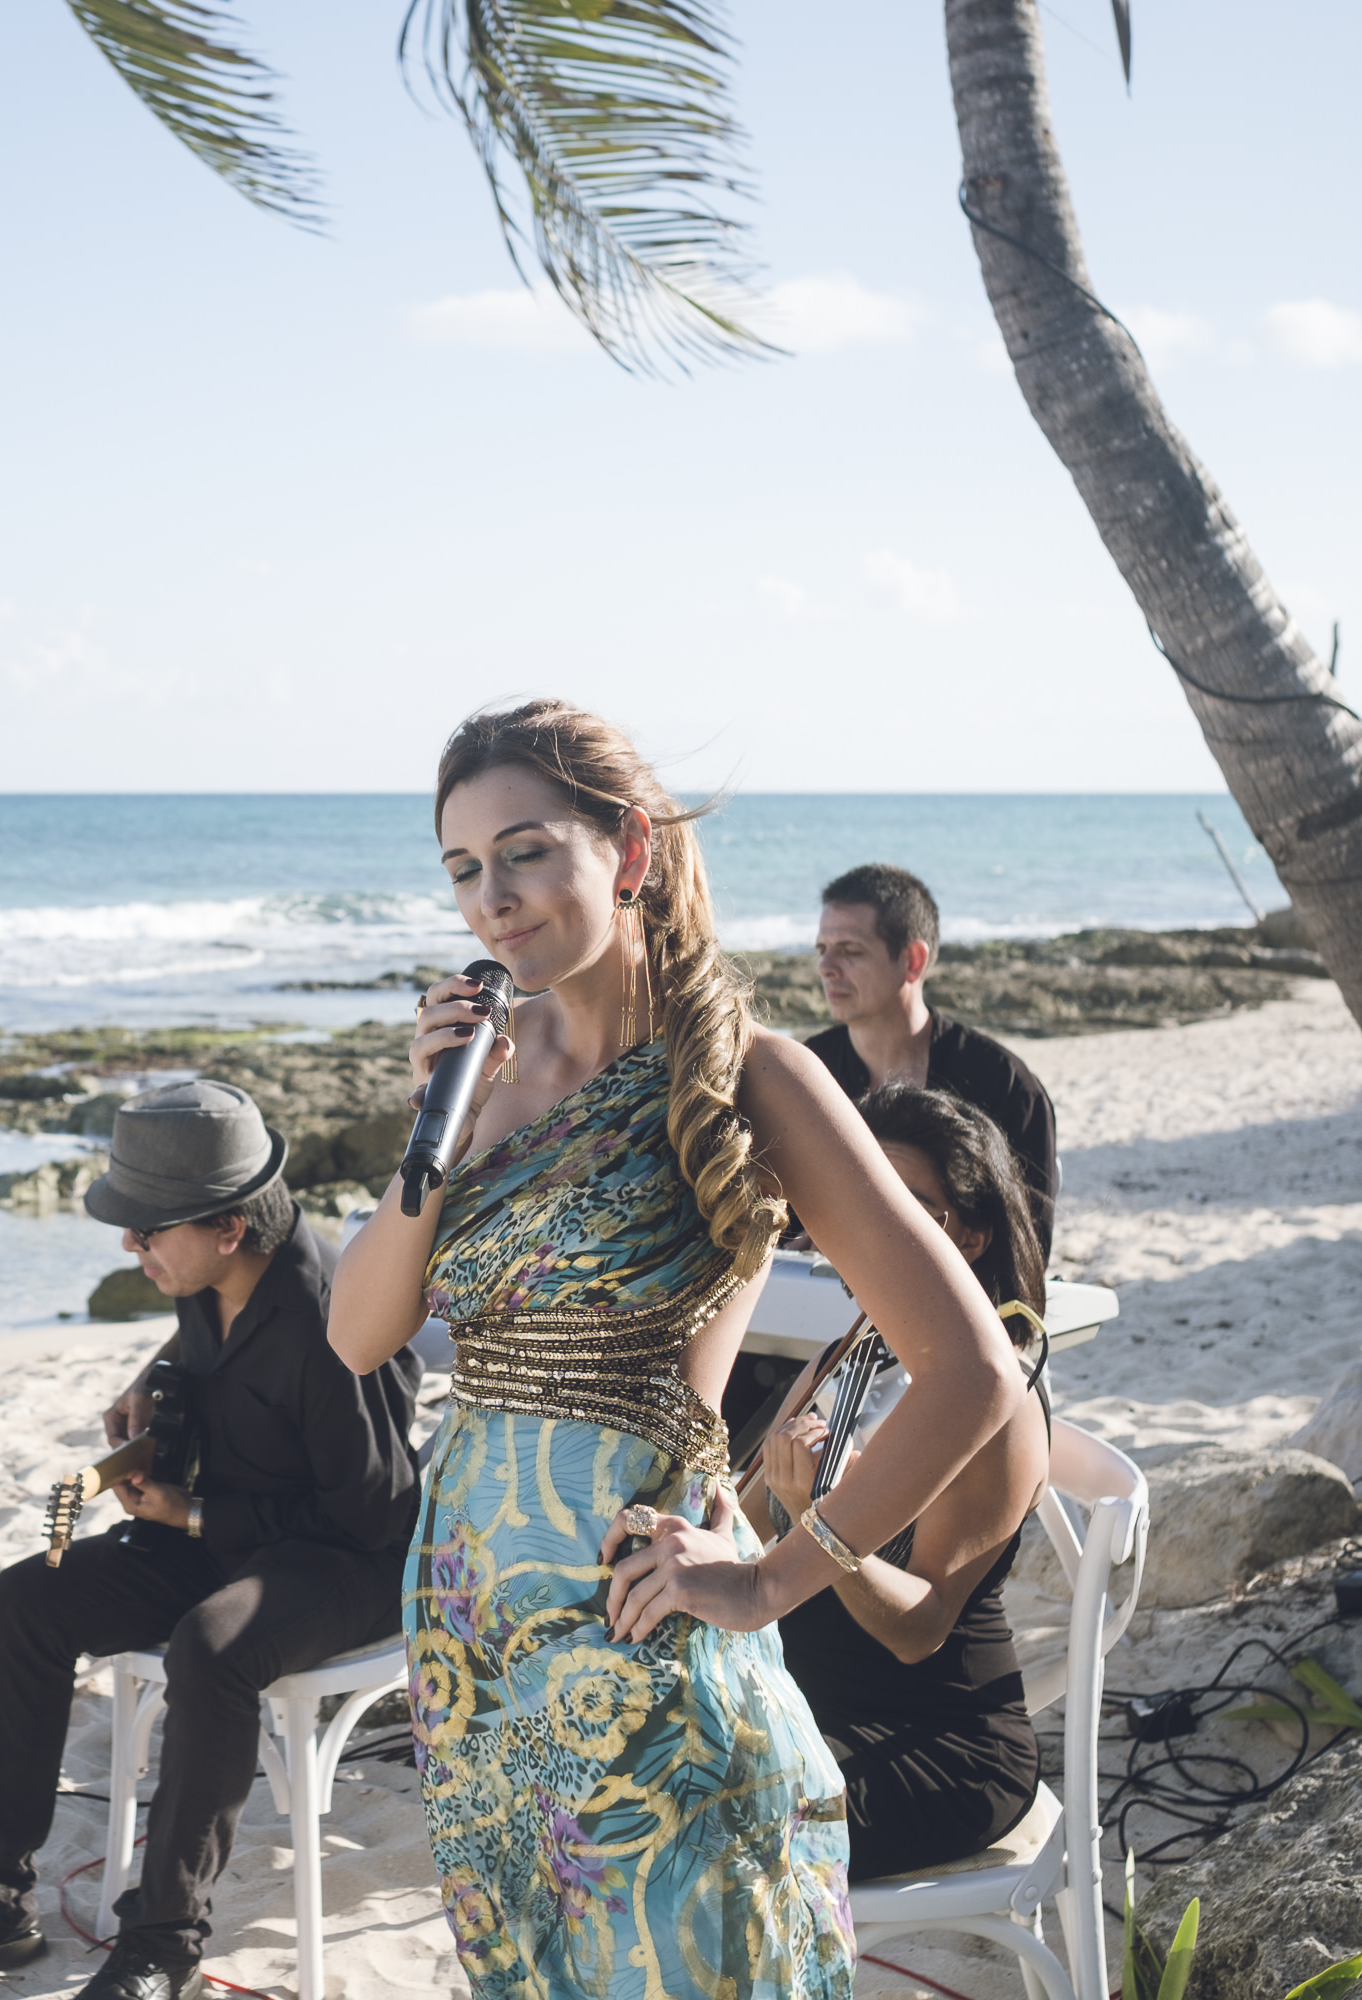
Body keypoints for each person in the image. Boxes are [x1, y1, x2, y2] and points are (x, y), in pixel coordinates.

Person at [328, 700, 1032, 2000]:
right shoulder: (483, 1078)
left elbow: (976, 1370)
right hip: (470, 1626)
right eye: (464, 868)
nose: (492, 898)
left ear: (631, 851)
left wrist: (772, 1579)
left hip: (636, 1624)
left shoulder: (750, 1076)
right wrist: (436, 1133)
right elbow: (359, 1332)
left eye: (526, 852)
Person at [0, 1081, 422, 2000]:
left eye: (146, 1231)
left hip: (344, 1563)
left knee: (212, 1645)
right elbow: (217, 1351)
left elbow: (372, 1516)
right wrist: (155, 1375)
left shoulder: (329, 1317)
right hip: (228, 1538)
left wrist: (192, 1517)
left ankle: (164, 1942)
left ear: (228, 1227)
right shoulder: (210, 1277)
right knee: (29, 1595)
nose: (128, 1247)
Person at [745, 1084, 1052, 1881]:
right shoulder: (850, 1350)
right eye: (865, 1203)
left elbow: (921, 1629)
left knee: (697, 1828)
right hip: (804, 1701)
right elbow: (742, 1524)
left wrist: (817, 1517)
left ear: (971, 1235)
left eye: (910, 1208)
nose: (877, 1230)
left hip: (936, 1747)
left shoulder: (999, 1402)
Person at [805, 863, 1059, 1250]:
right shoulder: (807, 1072)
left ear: (913, 961)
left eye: (850, 951)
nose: (825, 968)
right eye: (822, 950)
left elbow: (1025, 1252)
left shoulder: (1007, 1087)